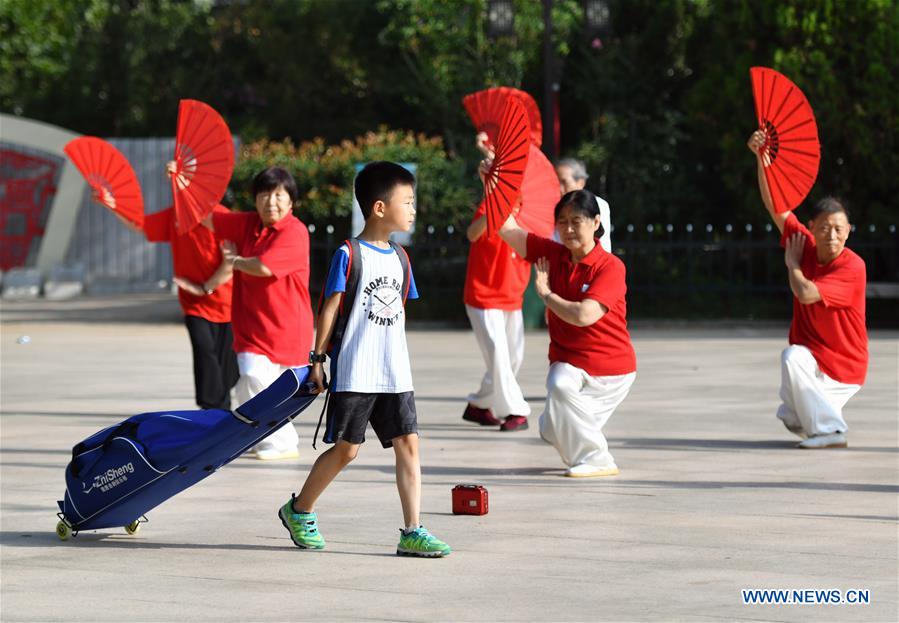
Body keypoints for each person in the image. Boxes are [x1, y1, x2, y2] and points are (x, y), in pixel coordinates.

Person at [277, 161, 451, 557]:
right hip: (357, 370)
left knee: (409, 443)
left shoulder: (401, 259)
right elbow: (330, 308)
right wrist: (318, 359)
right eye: (407, 202)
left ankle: (413, 529)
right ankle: (299, 510)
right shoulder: (348, 253)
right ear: (378, 208)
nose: (412, 209)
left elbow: (398, 312)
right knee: (347, 449)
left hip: (395, 373)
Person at [498, 187, 637, 477]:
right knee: (551, 424)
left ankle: (599, 460)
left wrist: (546, 294)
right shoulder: (553, 255)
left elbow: (584, 315)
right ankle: (586, 454)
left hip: (609, 372)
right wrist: (493, 183)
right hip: (569, 360)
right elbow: (505, 228)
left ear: (596, 223)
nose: (569, 228)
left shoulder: (610, 267)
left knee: (562, 410)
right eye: (562, 222)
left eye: (577, 221)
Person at [747, 130, 867, 449]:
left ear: (849, 232)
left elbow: (806, 293)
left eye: (839, 229)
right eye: (825, 227)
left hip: (842, 367)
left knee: (792, 356)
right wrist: (762, 158)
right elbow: (776, 206)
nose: (831, 235)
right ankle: (819, 422)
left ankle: (831, 431)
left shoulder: (852, 266)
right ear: (812, 227)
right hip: (817, 362)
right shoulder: (805, 243)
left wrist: (792, 264)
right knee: (791, 416)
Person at [102, 164, 238, 411]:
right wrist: (112, 204)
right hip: (194, 304)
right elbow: (139, 224)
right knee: (204, 353)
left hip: (227, 302)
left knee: (227, 367)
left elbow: (230, 264)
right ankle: (213, 414)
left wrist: (205, 287)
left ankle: (222, 406)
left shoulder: (220, 217)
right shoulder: (175, 216)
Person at [206, 166, 313, 460]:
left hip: (287, 329)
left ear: (291, 201)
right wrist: (182, 183)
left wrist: (235, 261)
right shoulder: (248, 224)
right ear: (255, 200)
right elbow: (205, 217)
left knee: (267, 389)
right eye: (264, 194)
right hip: (251, 329)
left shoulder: (295, 231)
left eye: (279, 195)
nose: (271, 201)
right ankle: (277, 440)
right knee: (251, 378)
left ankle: (274, 438)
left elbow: (264, 267)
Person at [461, 135, 532, 432]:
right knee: (500, 357)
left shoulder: (530, 210)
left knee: (511, 358)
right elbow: (473, 234)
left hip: (512, 294)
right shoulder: (491, 205)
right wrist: (495, 207)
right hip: (484, 295)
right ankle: (515, 410)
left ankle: (478, 405)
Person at [555, 158, 612, 252]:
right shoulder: (549, 205)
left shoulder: (597, 204)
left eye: (564, 182)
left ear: (581, 182)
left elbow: (603, 245)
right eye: (556, 182)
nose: (559, 188)